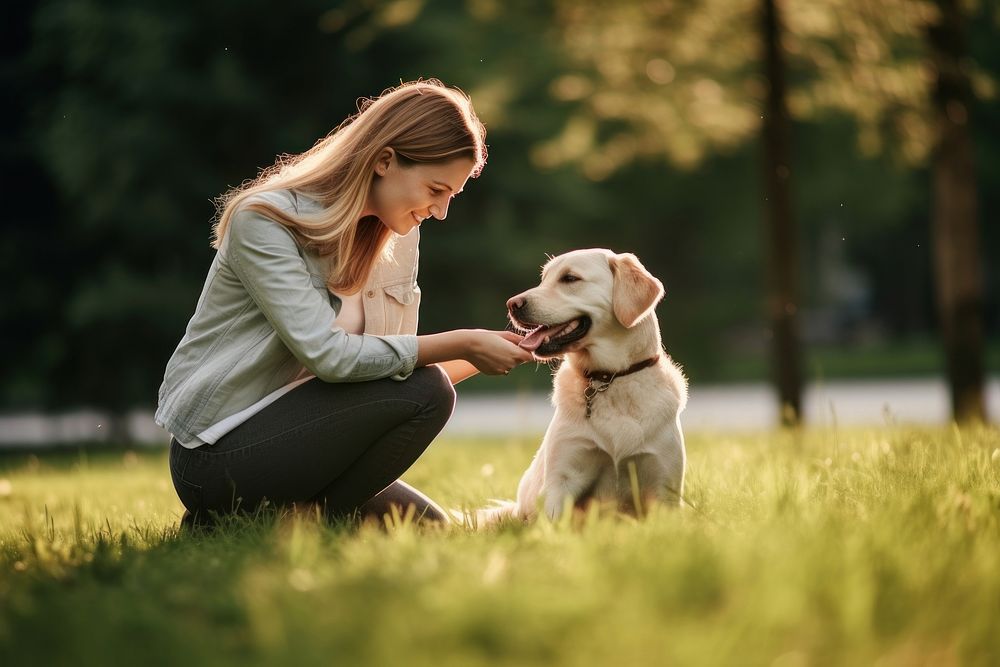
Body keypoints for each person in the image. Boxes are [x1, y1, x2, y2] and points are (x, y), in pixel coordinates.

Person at [156, 79, 534, 529]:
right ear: (384, 161)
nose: (441, 211)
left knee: (428, 527)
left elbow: (390, 373)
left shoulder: (399, 236)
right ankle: (243, 515)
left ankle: (276, 521)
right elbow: (332, 358)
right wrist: (459, 342)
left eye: (451, 195)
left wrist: (487, 350)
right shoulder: (265, 221)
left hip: (306, 442)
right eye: (436, 189)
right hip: (218, 455)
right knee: (430, 392)